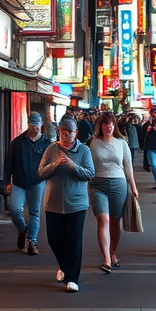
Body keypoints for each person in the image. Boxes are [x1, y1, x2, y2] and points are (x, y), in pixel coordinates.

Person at [38, 115, 95, 292]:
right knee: (54, 239)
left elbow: (90, 173)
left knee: (74, 240)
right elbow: (40, 172)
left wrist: (72, 166)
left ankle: (72, 278)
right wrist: (54, 165)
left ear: (76, 132)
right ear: (59, 132)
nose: (66, 135)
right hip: (53, 202)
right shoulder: (51, 149)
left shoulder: (84, 150)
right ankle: (64, 265)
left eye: (70, 132)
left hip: (77, 203)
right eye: (63, 131)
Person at [88, 110, 139, 272]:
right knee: (104, 220)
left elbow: (128, 166)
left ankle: (112, 252)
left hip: (119, 184)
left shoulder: (122, 142)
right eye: (105, 123)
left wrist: (134, 187)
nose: (108, 126)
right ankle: (107, 259)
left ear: (114, 125)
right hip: (97, 184)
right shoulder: (94, 143)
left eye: (111, 123)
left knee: (115, 221)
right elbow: (88, 166)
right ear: (100, 125)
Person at [3, 111, 50, 255]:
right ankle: (22, 229)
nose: (34, 127)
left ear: (41, 125)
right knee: (15, 210)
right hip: (19, 181)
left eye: (37, 124)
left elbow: (50, 164)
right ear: (28, 124)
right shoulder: (17, 142)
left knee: (35, 212)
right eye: (32, 124)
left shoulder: (47, 143)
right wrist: (6, 181)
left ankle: (32, 242)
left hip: (37, 182)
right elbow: (9, 162)